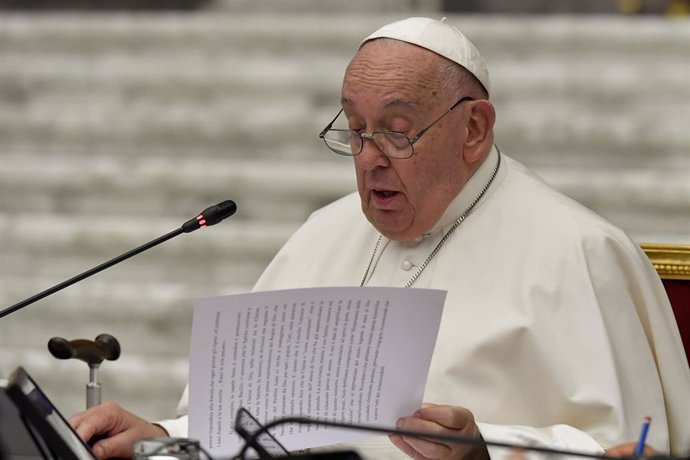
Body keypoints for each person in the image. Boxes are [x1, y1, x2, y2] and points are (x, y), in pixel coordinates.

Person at [69, 17, 690, 459]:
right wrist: (157, 437)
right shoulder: (323, 234)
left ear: (474, 128)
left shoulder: (579, 251)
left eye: (397, 131)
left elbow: (635, 446)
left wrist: (484, 457)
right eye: (356, 130)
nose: (369, 160)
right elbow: (245, 427)